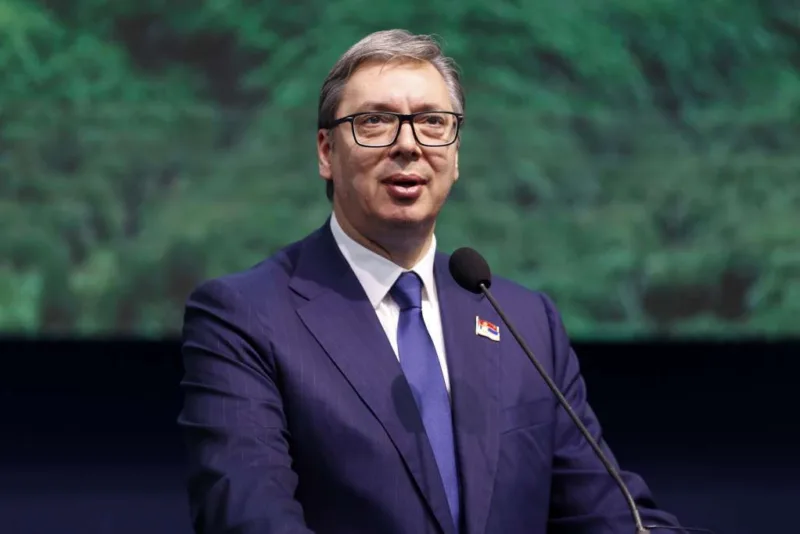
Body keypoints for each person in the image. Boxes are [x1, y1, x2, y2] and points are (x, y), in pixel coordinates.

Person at [178, 29, 684, 534]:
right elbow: (250, 518)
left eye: (432, 122)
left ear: (455, 155)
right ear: (326, 152)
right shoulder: (245, 316)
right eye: (375, 121)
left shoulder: (525, 321)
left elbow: (611, 515)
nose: (408, 144)